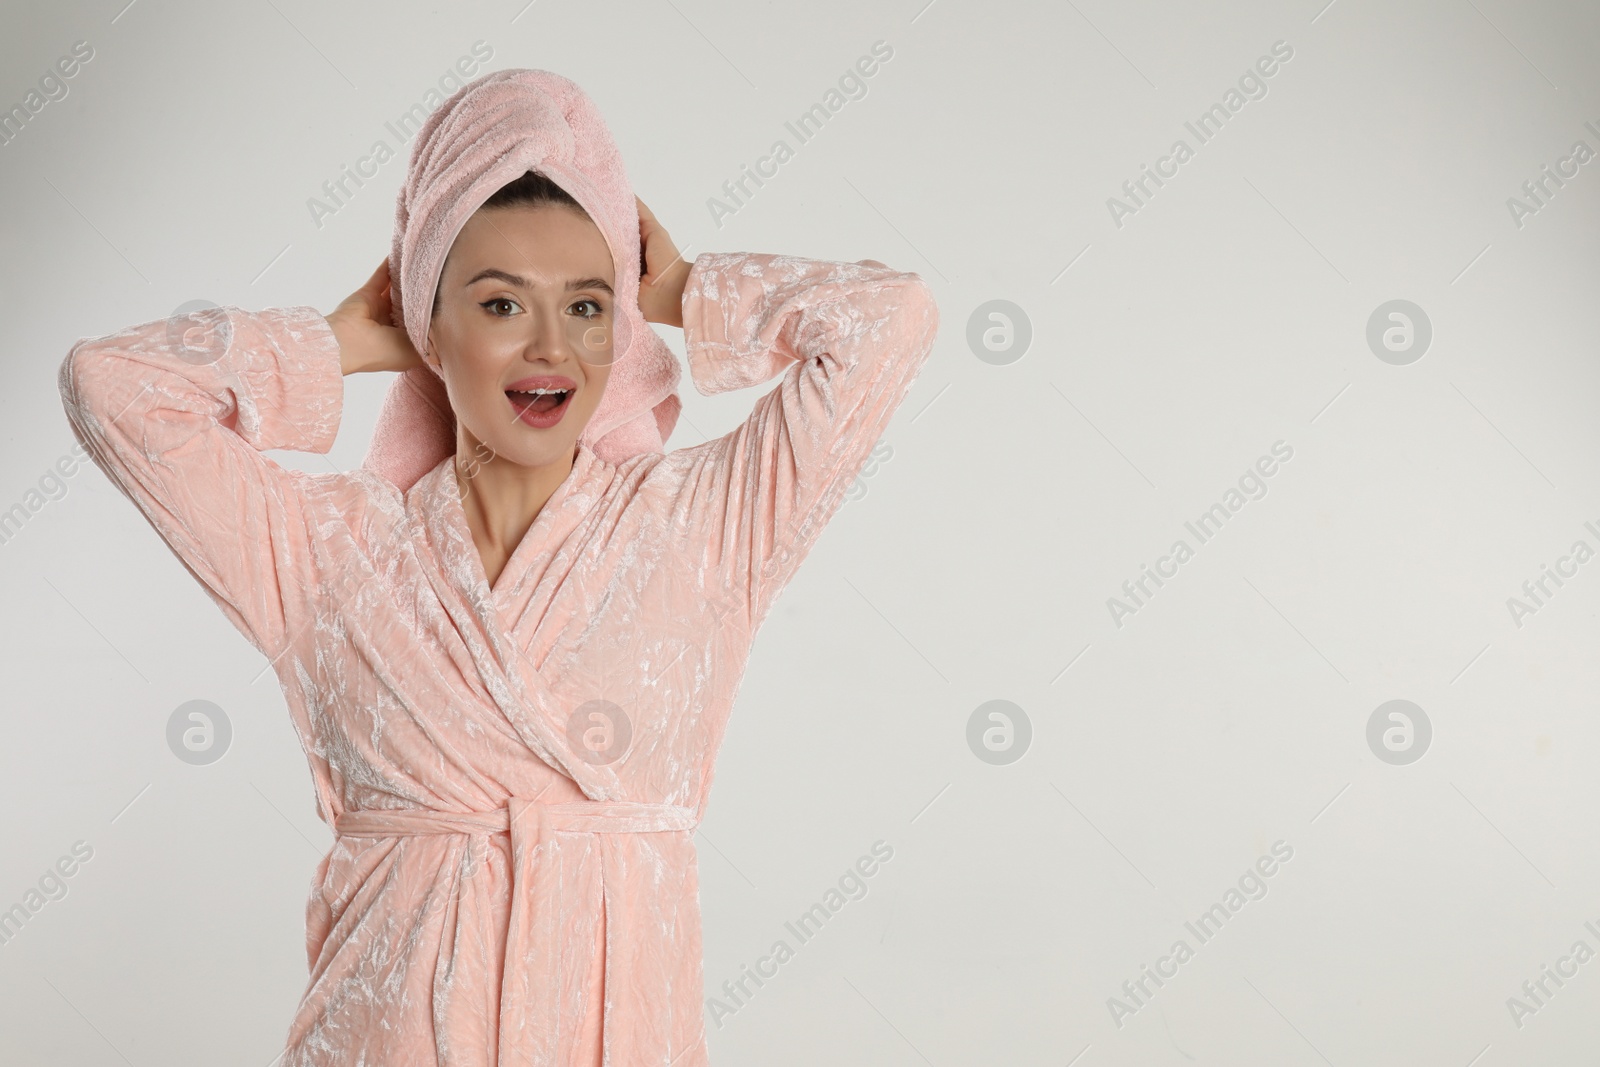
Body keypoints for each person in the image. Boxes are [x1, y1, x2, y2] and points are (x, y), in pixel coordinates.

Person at [57, 68, 939, 1066]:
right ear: (429, 324)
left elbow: (890, 318)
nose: (552, 347)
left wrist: (684, 290)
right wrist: (338, 343)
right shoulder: (326, 551)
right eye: (500, 303)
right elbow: (111, 385)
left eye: (588, 305)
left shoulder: (700, 528)